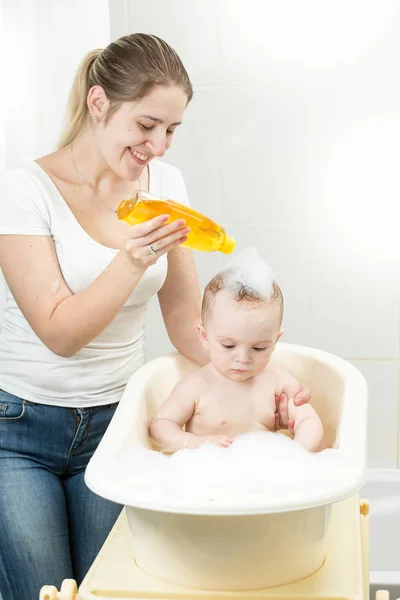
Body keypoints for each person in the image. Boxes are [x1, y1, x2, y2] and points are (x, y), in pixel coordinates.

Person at [0, 33, 310, 599]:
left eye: (171, 130)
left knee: (115, 586)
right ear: (99, 104)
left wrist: (262, 378)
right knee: (44, 590)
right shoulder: (24, 191)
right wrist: (130, 260)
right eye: (146, 126)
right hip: (20, 428)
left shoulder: (165, 185)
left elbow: (186, 323)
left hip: (117, 422)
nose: (159, 146)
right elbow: (60, 333)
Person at [150, 255, 323, 453]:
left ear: (275, 341)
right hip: (207, 469)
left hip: (264, 472)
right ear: (205, 337)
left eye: (259, 348)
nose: (243, 358)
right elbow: (161, 425)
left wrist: (296, 451)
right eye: (228, 346)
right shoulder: (195, 386)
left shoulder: (278, 382)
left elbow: (309, 421)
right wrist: (194, 442)